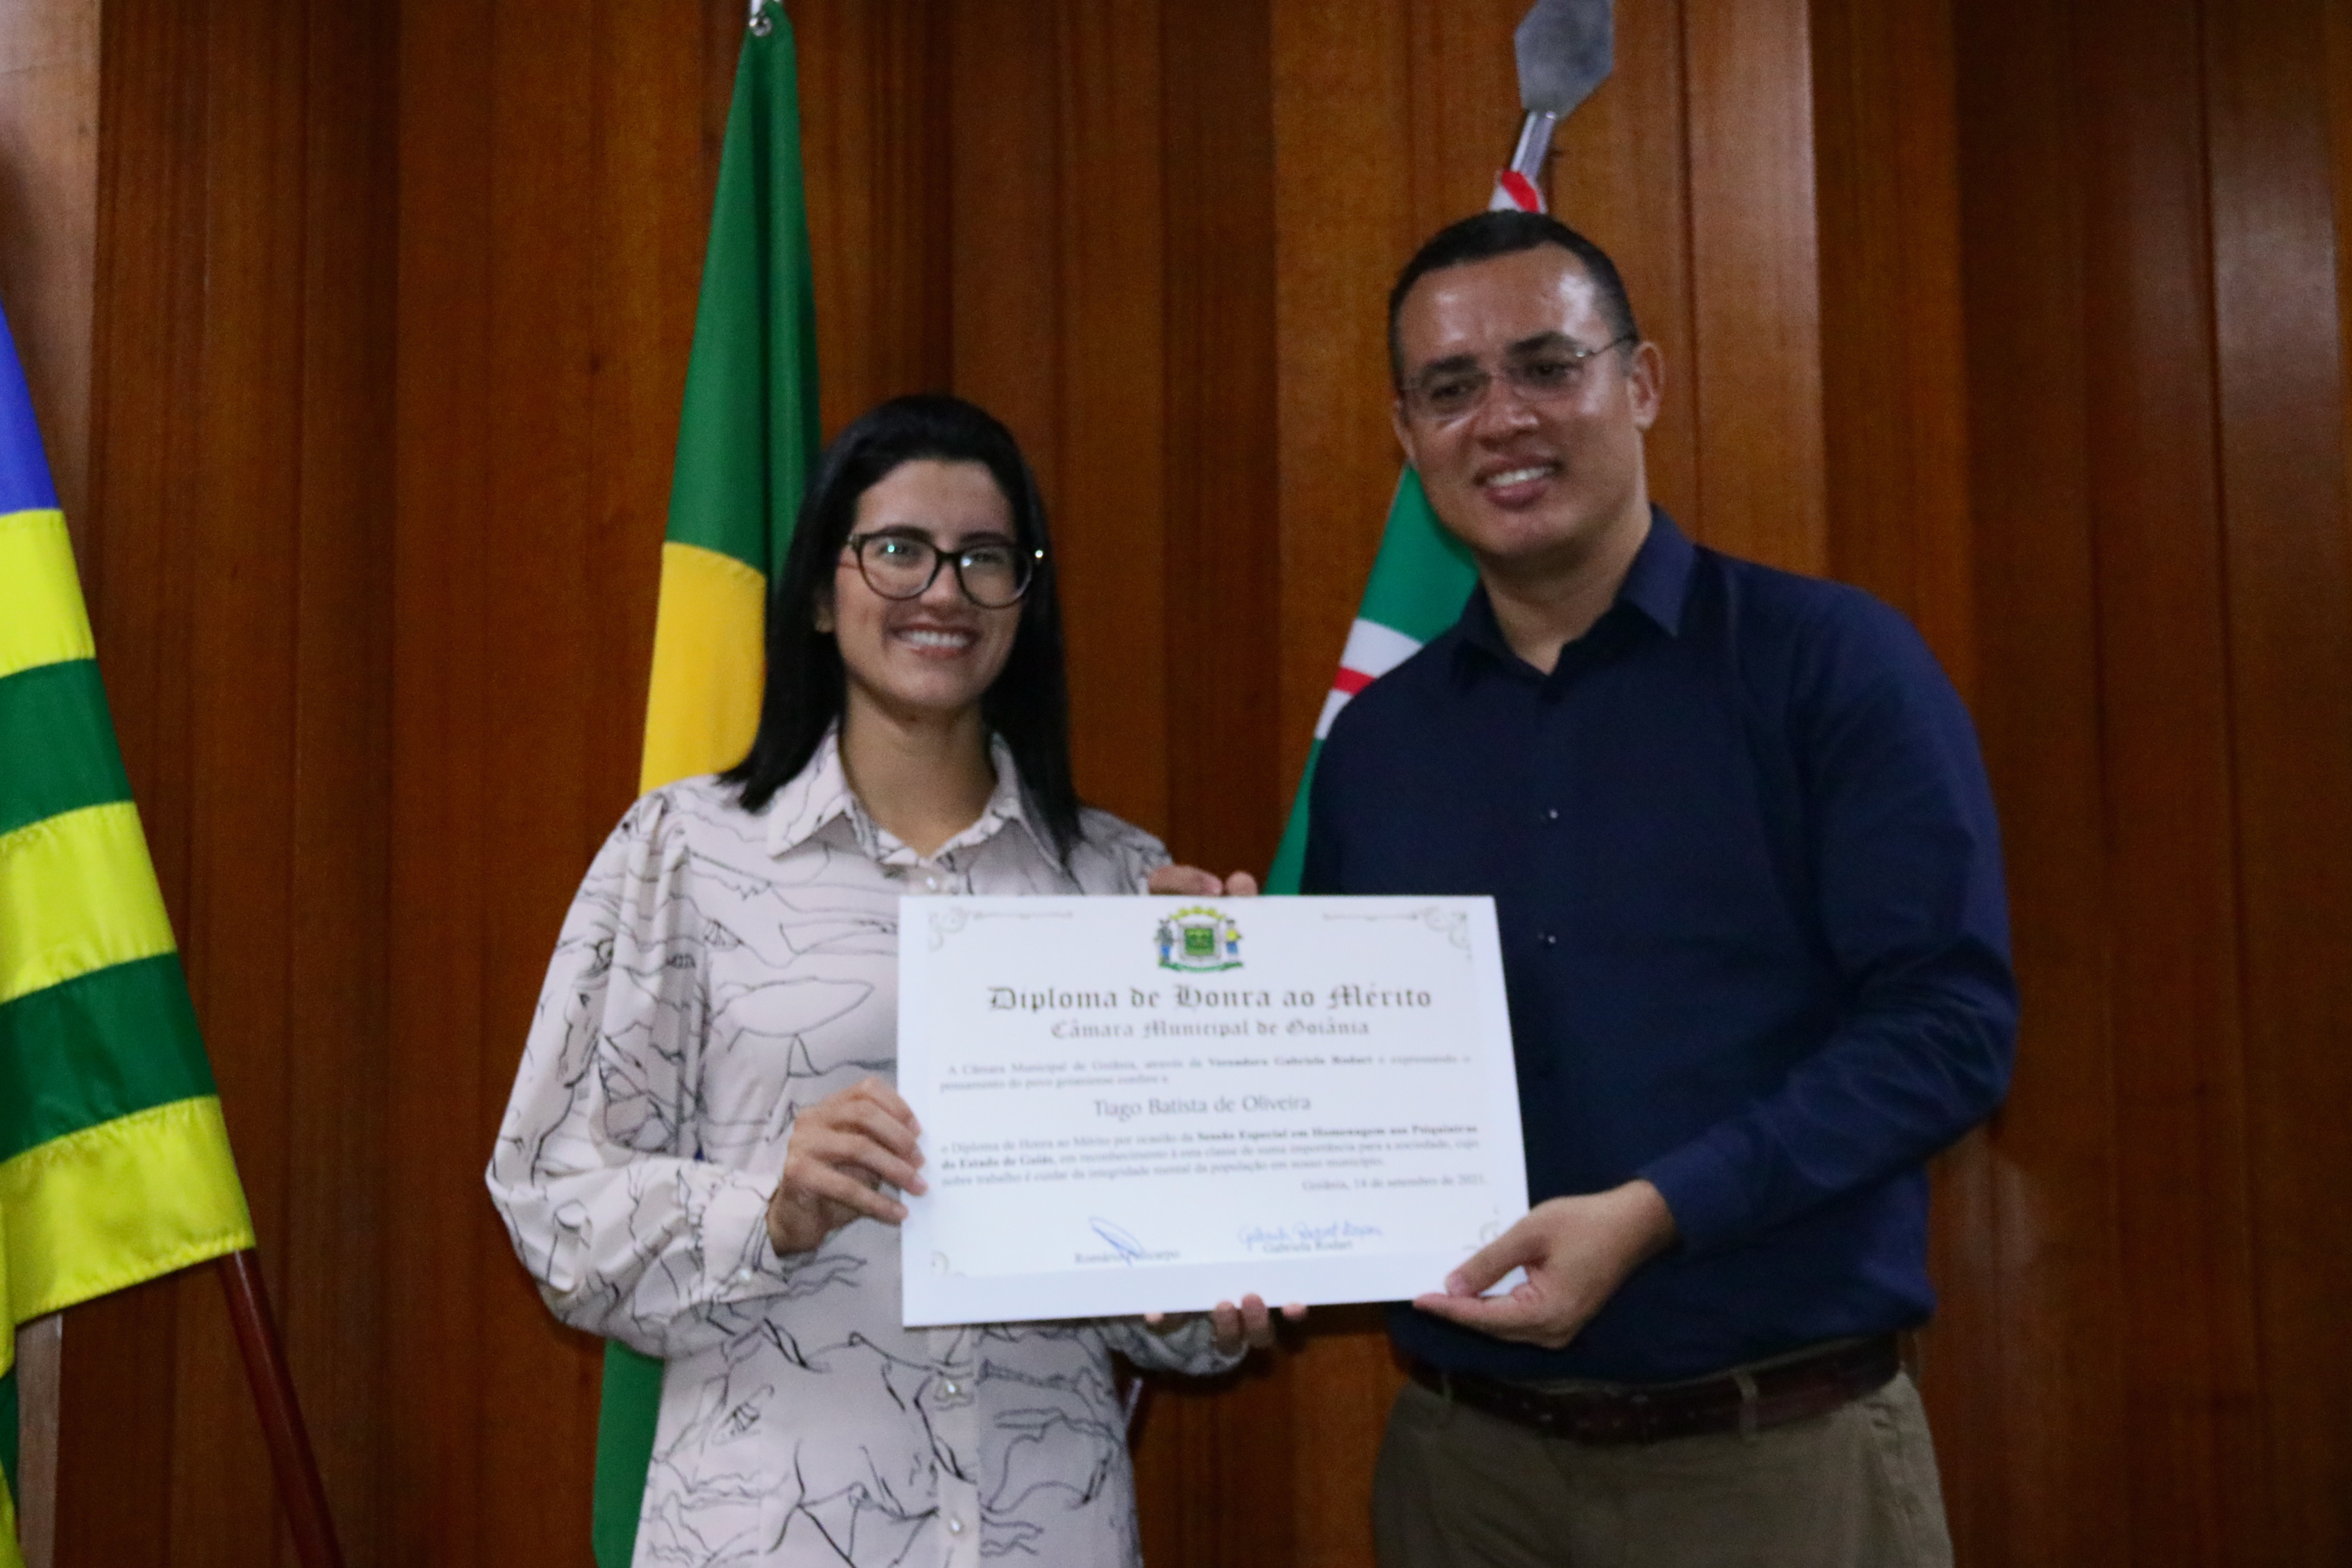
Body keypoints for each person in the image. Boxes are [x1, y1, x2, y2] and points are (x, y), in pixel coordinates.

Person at [1302, 211, 2017, 1566]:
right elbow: (1331, 1076)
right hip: (1466, 1477)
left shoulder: (1831, 666)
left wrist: (1657, 1213)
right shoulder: (1379, 747)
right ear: (1408, 435)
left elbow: (1949, 1031)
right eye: (1451, 388)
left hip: (1773, 1466)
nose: (1502, 419)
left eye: (1546, 366)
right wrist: (1201, 986)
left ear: (1640, 383)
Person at [488, 394, 1282, 1568]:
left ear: (1026, 599)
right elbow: (551, 1199)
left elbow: (1156, 1297)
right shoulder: (686, 851)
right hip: (768, 1535)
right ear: (823, 590)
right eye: (899, 550)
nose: (943, 590)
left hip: (1044, 1534)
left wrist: (1223, 1243)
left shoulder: (1124, 886)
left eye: (985, 557)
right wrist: (771, 1211)